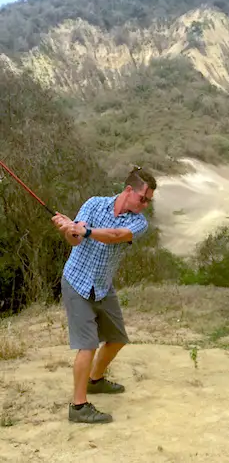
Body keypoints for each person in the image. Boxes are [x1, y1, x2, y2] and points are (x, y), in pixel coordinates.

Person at [51, 166, 157, 424]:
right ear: (129, 190)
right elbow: (76, 239)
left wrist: (84, 231)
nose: (144, 205)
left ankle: (95, 380)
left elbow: (115, 236)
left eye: (148, 201)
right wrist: (68, 228)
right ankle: (78, 407)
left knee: (117, 338)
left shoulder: (138, 222)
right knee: (87, 345)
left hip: (102, 285)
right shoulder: (94, 204)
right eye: (142, 198)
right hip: (77, 281)